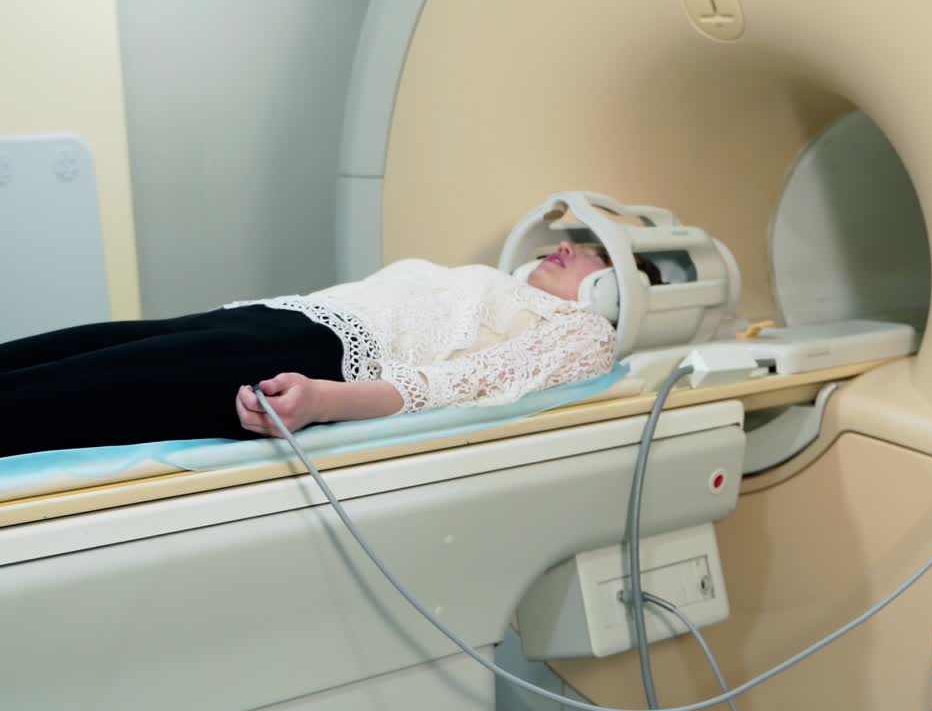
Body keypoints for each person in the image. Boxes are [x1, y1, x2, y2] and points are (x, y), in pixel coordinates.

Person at [0, 240, 656, 459]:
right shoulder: (495, 286)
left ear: (610, 294)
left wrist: (323, 401)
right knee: (53, 354)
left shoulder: (585, 335)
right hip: (267, 319)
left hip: (310, 359)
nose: (565, 247)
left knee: (59, 398)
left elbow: (456, 386)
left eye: (589, 257)